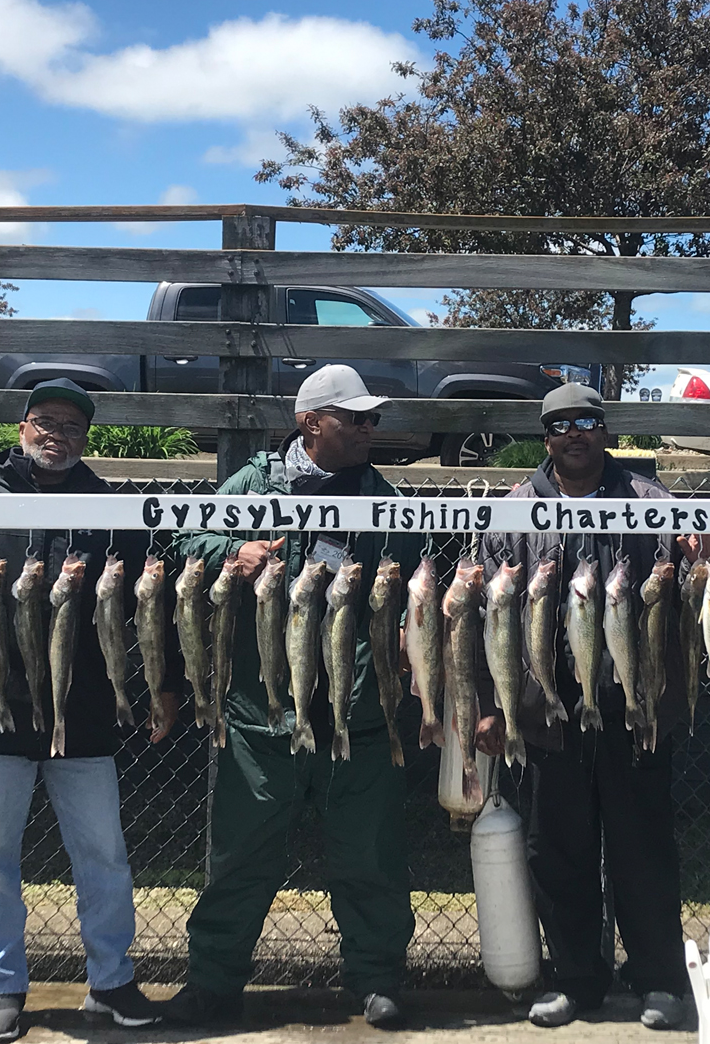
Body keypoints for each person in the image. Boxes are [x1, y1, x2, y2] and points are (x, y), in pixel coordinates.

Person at [0, 379, 181, 1042]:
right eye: (45, 420)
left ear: (87, 437)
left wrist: (162, 676)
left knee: (103, 852)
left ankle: (111, 981)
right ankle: (2, 985)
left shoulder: (106, 505)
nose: (57, 433)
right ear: (21, 426)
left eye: (72, 424)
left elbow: (146, 603)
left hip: (83, 707)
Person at [164, 364, 421, 1030]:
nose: (370, 429)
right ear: (310, 423)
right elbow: (183, 536)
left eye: (373, 418)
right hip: (262, 715)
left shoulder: (381, 495)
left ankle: (375, 979)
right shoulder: (254, 484)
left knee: (370, 859)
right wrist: (231, 554)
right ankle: (214, 982)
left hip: (359, 715)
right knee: (241, 858)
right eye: (355, 418)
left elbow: (415, 571)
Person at [478, 383, 710, 1030]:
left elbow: (698, 573)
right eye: (560, 424)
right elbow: (485, 618)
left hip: (634, 706)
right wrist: (490, 705)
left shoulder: (648, 501)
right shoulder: (513, 508)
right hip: (547, 711)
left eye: (586, 420)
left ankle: (660, 981)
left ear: (604, 428)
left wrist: (708, 556)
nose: (574, 433)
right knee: (557, 852)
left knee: (643, 849)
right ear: (545, 436)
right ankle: (577, 982)